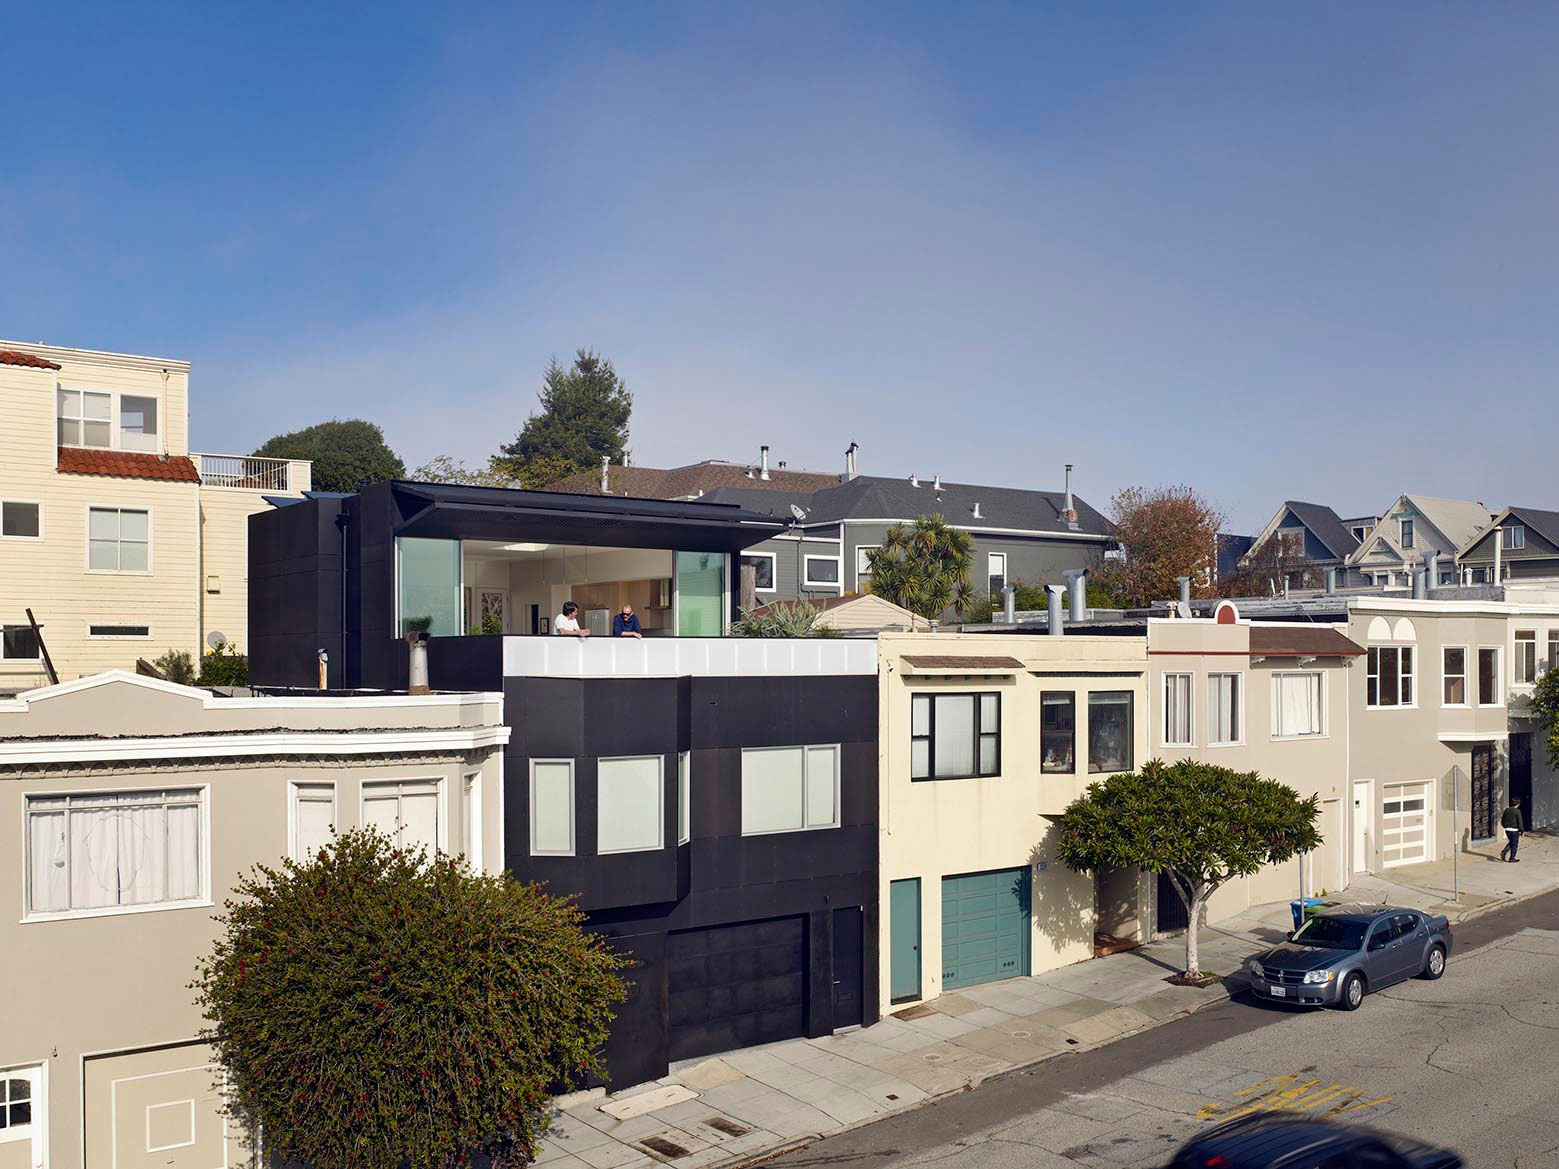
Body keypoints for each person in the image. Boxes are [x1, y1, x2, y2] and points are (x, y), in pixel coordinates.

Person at [1500, 796, 1524, 862]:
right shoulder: (1517, 811)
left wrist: (1504, 826)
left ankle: (1504, 852)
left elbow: (1502, 819)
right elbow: (1520, 821)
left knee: (1511, 842)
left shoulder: (1506, 810)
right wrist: (1522, 831)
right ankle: (1512, 858)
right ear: (1518, 804)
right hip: (1514, 830)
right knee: (1514, 844)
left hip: (1507, 830)